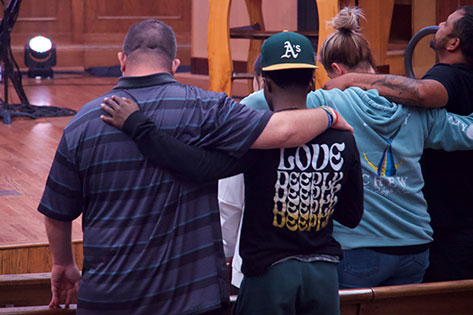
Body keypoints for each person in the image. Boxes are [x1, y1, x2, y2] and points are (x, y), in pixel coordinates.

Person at [38, 20, 352, 315]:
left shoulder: (82, 123)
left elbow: (56, 211)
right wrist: (328, 115)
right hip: (192, 299)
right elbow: (283, 132)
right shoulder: (208, 109)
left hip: (109, 297)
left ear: (122, 60)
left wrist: (63, 263)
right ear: (174, 64)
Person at [233, 7, 473, 288]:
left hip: (358, 252)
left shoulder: (325, 102)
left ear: (335, 69)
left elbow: (247, 109)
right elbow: (467, 132)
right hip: (416, 247)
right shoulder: (422, 112)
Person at [324, 5, 473, 282]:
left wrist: (349, 81)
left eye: (447, 24)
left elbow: (423, 92)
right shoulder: (438, 105)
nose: (439, 22)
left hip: (442, 229)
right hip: (422, 242)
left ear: (454, 43)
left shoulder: (446, 77)